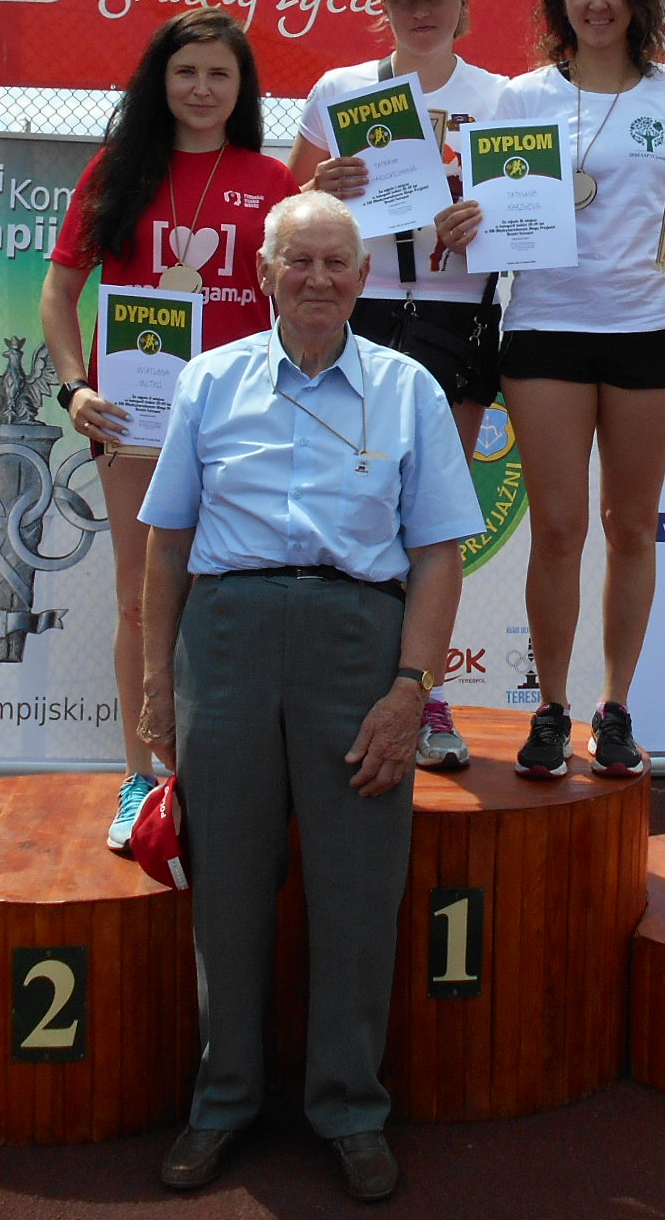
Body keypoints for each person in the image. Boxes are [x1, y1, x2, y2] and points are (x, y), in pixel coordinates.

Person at [138, 191, 482, 1201]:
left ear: (365, 277)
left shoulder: (410, 389)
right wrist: (158, 683)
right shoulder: (209, 381)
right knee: (228, 883)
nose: (319, 279)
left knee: (358, 888)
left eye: (337, 262)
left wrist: (410, 690)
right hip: (228, 640)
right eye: (300, 261)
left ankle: (349, 1108)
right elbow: (167, 543)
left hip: (356, 645)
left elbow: (438, 554)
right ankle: (223, 1101)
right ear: (264, 272)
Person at [490, 0, 665, 780]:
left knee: (631, 527)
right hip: (546, 331)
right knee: (559, 529)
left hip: (649, 332)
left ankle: (615, 709)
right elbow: (497, 214)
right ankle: (550, 709)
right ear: (559, 3)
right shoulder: (521, 98)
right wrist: (471, 221)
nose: (596, 3)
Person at [40, 8, 296, 852]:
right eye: (186, 71)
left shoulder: (271, 180)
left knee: (237, 597)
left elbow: (307, 298)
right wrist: (76, 387)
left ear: (242, 88)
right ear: (161, 80)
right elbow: (58, 293)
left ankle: (224, 776)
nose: (201, 88)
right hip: (134, 422)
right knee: (140, 599)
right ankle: (141, 779)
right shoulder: (117, 170)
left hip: (243, 422)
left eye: (220, 74)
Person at [291, 0, 503, 772]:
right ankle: (347, 682)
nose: (420, 11)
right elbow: (288, 208)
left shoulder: (503, 96)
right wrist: (322, 188)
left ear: (462, 4)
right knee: (352, 497)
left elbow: (535, 207)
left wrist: (486, 216)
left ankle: (424, 690)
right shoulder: (341, 90)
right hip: (362, 309)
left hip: (458, 313)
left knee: (435, 513)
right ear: (382, 7)